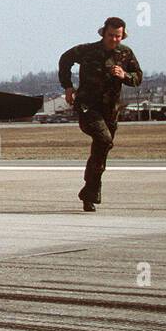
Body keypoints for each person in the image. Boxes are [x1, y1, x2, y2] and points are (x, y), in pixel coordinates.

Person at [58, 17, 142, 211]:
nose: (114, 40)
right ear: (104, 33)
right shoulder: (87, 51)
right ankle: (91, 191)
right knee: (104, 140)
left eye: (118, 36)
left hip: (110, 110)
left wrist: (125, 76)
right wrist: (68, 86)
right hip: (88, 107)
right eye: (111, 35)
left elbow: (138, 77)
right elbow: (65, 59)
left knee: (102, 150)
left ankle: (89, 192)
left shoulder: (126, 54)